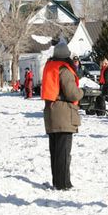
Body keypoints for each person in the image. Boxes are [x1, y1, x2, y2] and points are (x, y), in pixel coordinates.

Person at [41, 43, 83, 190]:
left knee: (55, 151)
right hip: (64, 113)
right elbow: (72, 93)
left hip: (51, 112)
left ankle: (57, 182)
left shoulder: (50, 67)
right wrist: (81, 92)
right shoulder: (64, 70)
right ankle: (64, 184)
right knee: (64, 152)